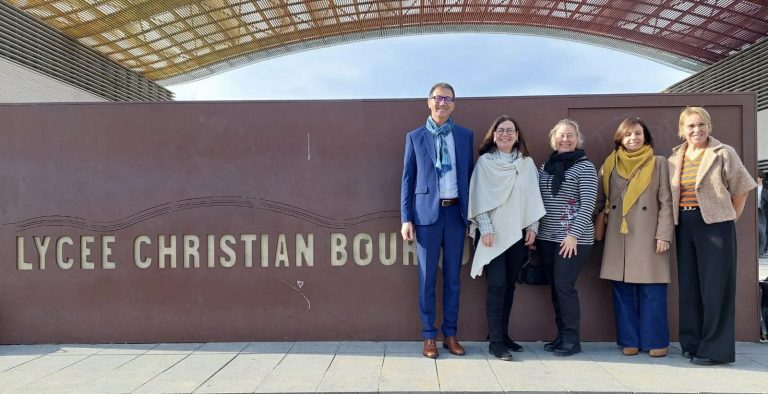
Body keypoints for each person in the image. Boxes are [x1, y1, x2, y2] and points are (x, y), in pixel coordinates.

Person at [669, 106, 756, 366]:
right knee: (689, 286)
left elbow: (742, 190)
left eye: (701, 125)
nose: (696, 130)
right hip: (684, 225)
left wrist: (727, 218)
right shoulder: (675, 158)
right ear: (682, 130)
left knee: (715, 288)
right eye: (691, 126)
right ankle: (692, 342)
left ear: (709, 126)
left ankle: (715, 350)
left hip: (715, 227)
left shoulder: (723, 153)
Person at [400, 82, 474, 359]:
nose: (442, 103)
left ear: (454, 104)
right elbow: (407, 180)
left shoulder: (465, 136)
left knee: (454, 279)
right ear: (429, 102)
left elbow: (470, 177)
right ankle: (429, 336)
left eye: (448, 99)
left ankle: (450, 334)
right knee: (427, 278)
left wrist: (472, 215)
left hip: (456, 215)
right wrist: (406, 218)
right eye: (438, 98)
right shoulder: (415, 137)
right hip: (426, 217)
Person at [468, 116, 545, 361]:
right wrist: (487, 229)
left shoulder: (527, 164)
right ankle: (495, 341)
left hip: (517, 233)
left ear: (517, 135)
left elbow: (533, 196)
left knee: (510, 285)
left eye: (510, 130)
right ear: (493, 135)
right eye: (500, 130)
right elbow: (478, 198)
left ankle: (503, 334)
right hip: (491, 233)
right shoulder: (485, 162)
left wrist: (533, 226)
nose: (505, 134)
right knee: (497, 284)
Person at [597, 117, 673, 358]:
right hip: (619, 235)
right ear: (620, 138)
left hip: (649, 234)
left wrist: (664, 234)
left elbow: (666, 202)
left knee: (653, 290)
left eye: (638, 133)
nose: (634, 138)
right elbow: (601, 200)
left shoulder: (658, 162)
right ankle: (628, 340)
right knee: (622, 289)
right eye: (628, 134)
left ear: (645, 136)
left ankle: (656, 341)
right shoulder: (609, 164)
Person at [536, 119, 598, 357]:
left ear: (578, 139)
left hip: (573, 240)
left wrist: (573, 235)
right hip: (547, 237)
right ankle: (561, 336)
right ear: (554, 139)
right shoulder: (546, 166)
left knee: (564, 286)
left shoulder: (585, 167)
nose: (565, 139)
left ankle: (572, 340)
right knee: (556, 287)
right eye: (561, 135)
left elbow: (588, 204)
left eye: (570, 135)